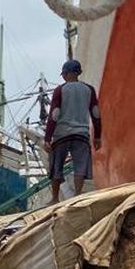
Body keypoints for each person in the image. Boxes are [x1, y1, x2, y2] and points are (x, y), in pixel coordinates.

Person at [45, 58, 103, 204]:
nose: (63, 76)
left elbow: (54, 115)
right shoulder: (89, 90)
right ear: (79, 73)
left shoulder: (60, 90)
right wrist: (97, 136)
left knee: (56, 166)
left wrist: (47, 138)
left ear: (66, 74)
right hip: (81, 134)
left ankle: (55, 198)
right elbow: (96, 113)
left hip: (61, 134)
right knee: (80, 166)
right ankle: (77, 195)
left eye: (64, 74)